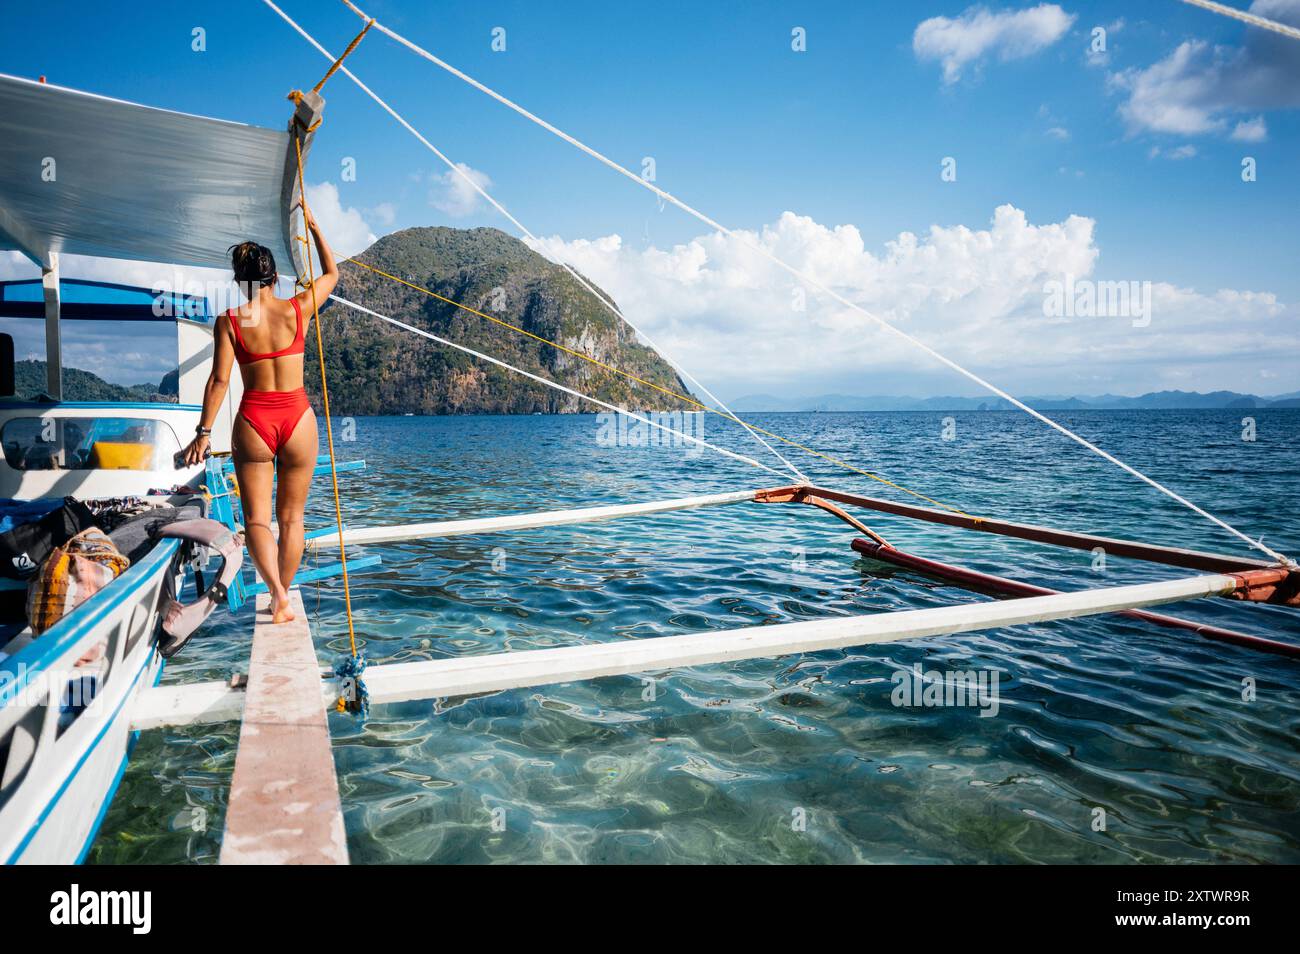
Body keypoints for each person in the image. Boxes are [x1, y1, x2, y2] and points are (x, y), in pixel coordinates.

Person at [182, 207, 338, 623]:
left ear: (240, 281)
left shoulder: (230, 321)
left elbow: (218, 382)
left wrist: (203, 433)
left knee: (256, 520)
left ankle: (277, 594)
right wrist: (316, 228)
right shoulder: (298, 308)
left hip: (254, 420)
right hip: (298, 418)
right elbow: (333, 276)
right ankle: (282, 594)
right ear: (274, 278)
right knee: (292, 518)